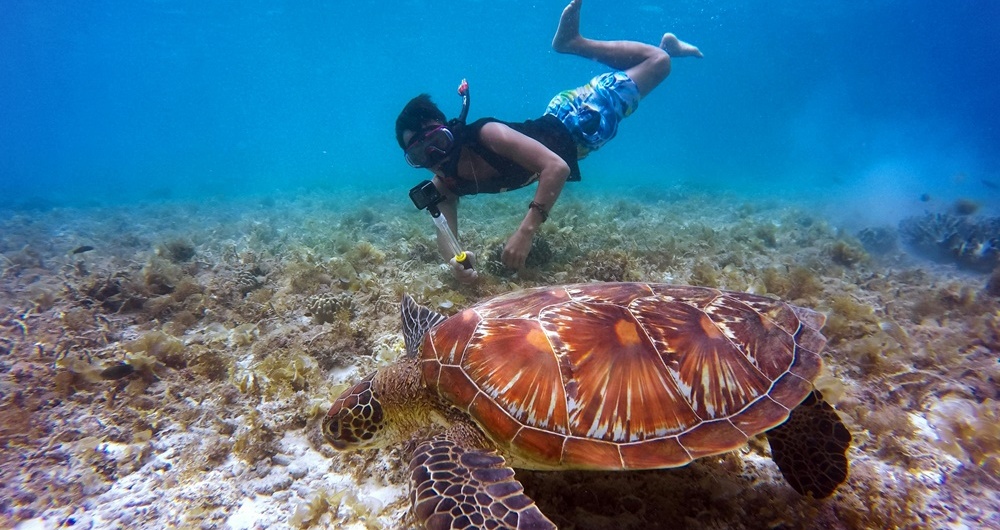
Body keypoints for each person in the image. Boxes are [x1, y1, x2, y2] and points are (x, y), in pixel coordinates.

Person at [396, 0, 702, 284]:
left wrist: (526, 232)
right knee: (647, 67)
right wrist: (457, 264)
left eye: (435, 141)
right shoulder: (445, 184)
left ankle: (574, 43)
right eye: (420, 155)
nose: (434, 156)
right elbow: (447, 239)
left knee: (658, 64)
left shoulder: (486, 135)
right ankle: (666, 47)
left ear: (448, 128)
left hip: (579, 119)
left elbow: (556, 168)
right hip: (568, 130)